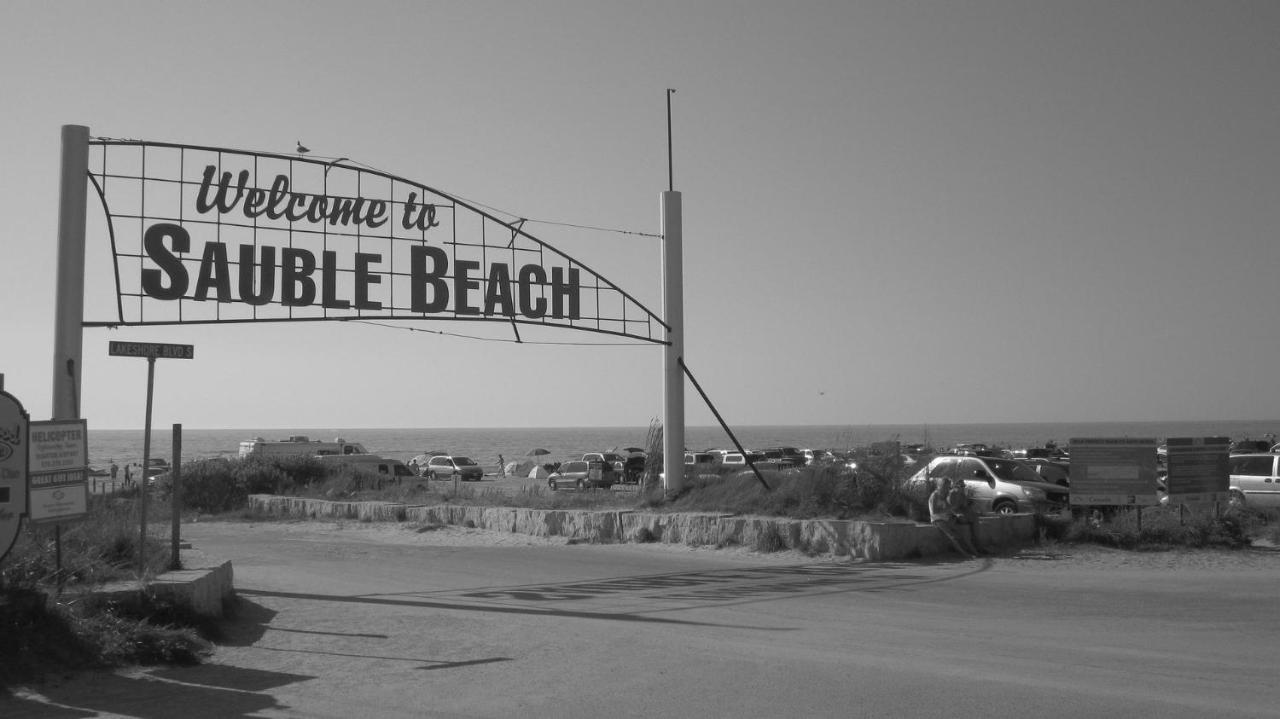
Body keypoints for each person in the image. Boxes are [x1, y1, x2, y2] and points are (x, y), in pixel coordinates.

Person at [929, 477, 977, 559]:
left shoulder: (944, 495)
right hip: (937, 519)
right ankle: (965, 555)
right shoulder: (935, 495)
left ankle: (974, 551)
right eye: (946, 486)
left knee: (961, 534)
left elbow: (950, 508)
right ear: (941, 485)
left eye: (949, 487)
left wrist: (956, 514)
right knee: (953, 536)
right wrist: (947, 509)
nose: (948, 489)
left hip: (946, 517)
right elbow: (934, 511)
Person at [947, 477, 986, 554]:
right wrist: (957, 513)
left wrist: (966, 497)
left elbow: (965, 506)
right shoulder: (951, 494)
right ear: (956, 486)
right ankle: (974, 547)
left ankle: (978, 544)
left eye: (963, 486)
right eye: (961, 486)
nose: (963, 488)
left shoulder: (962, 494)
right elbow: (949, 508)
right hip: (954, 515)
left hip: (961, 513)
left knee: (974, 518)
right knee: (965, 519)